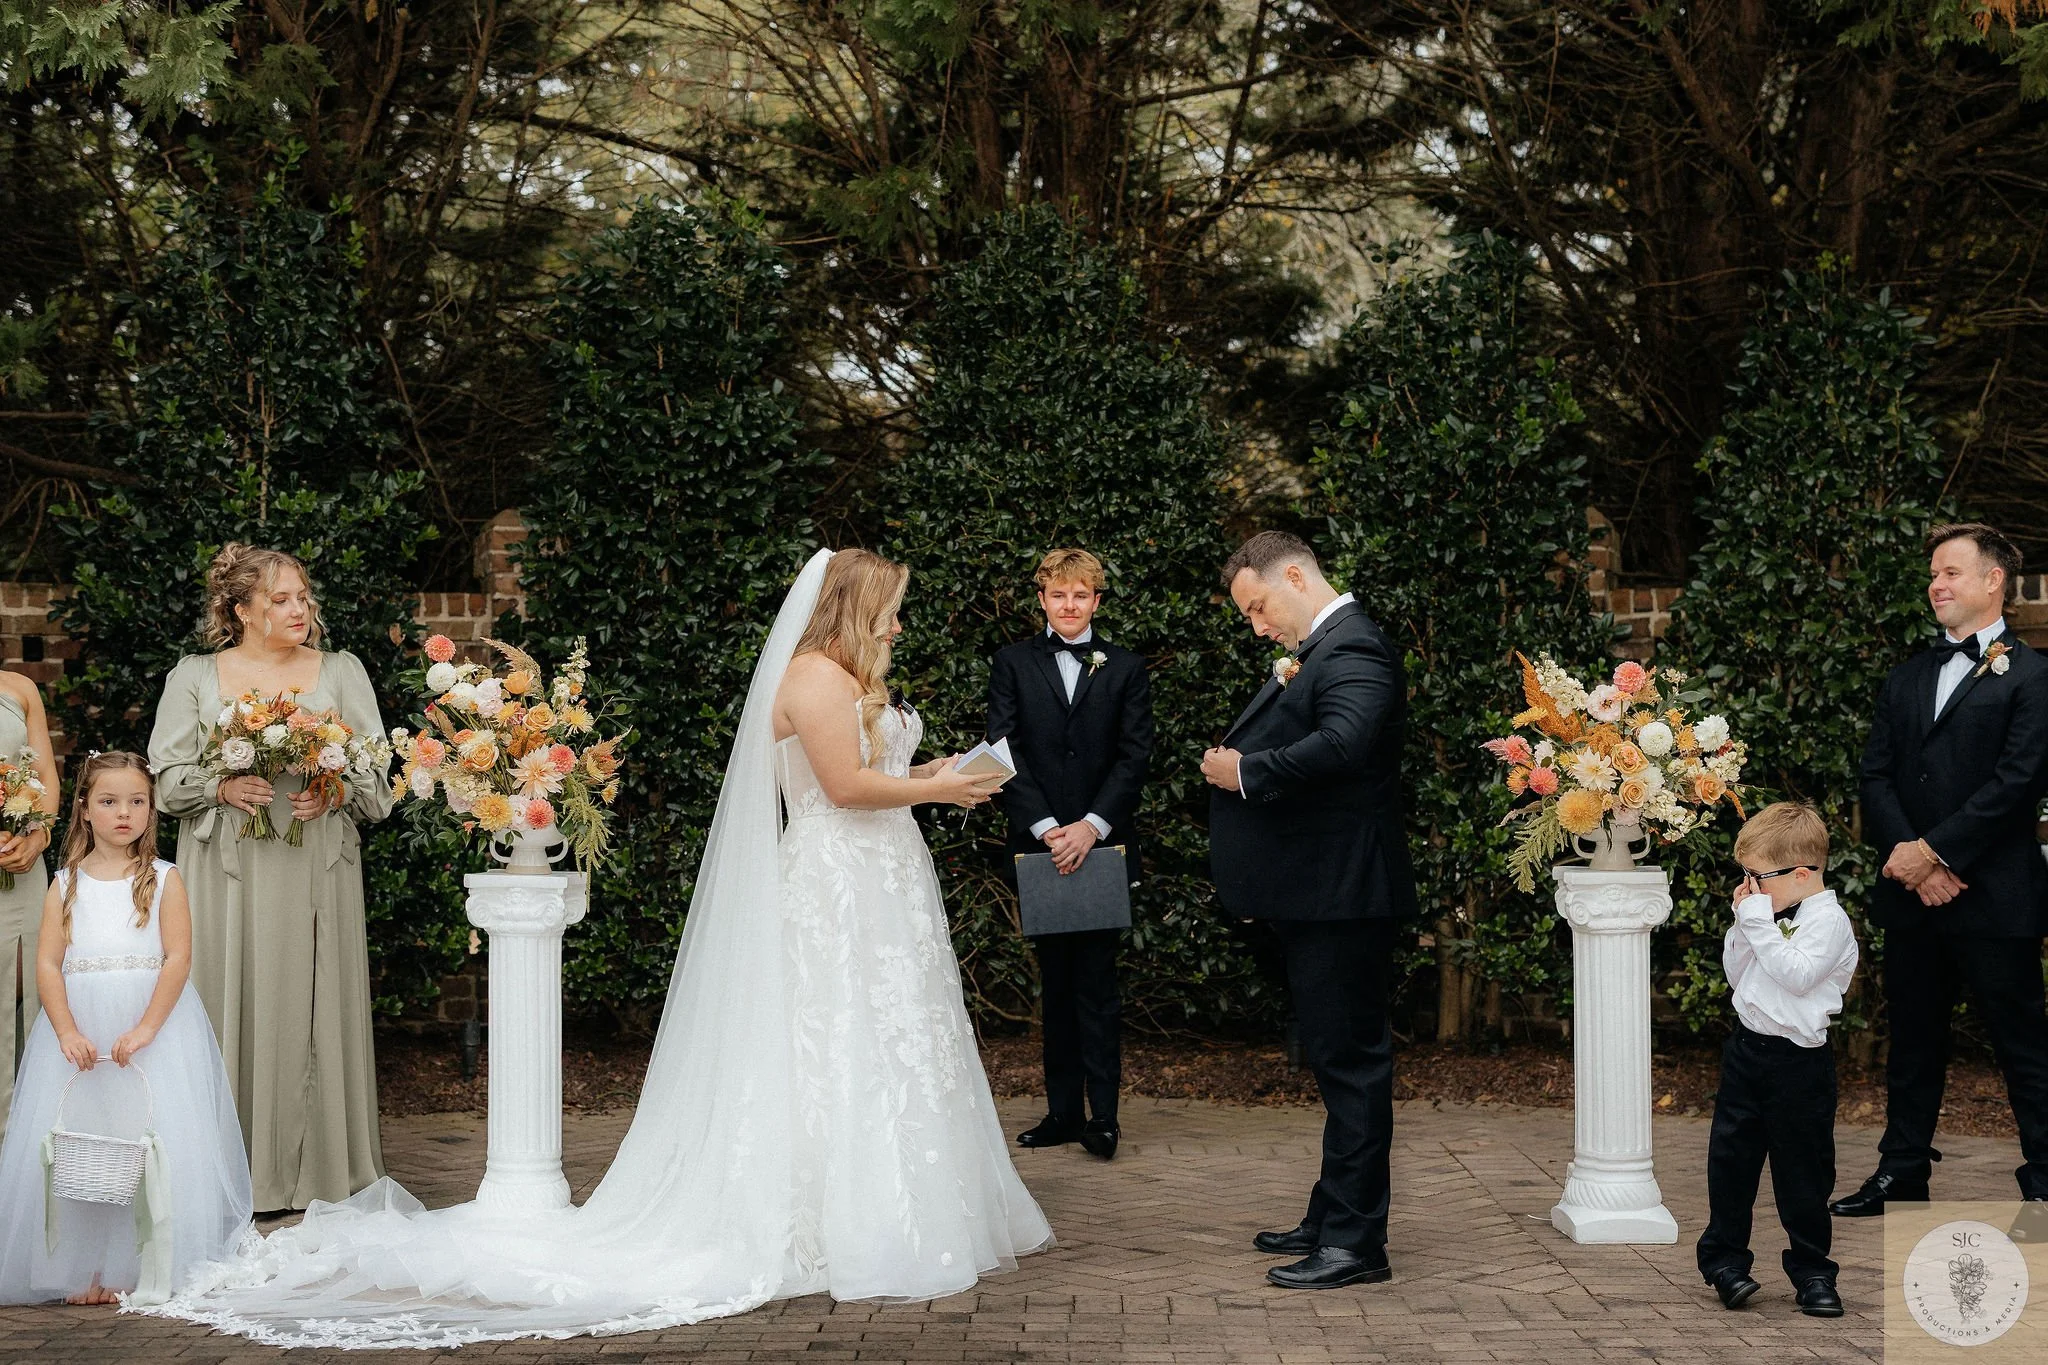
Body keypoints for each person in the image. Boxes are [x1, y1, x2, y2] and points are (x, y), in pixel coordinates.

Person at [138, 548, 1051, 1348]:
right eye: (890, 603)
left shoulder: (852, 677)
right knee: (831, 1038)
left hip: (878, 885)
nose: (899, 618)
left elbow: (863, 773)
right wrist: (937, 794)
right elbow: (843, 789)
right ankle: (835, 1213)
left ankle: (894, 1198)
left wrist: (931, 773)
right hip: (838, 878)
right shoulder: (814, 676)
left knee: (881, 1041)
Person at [146, 544, 392, 1212]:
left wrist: (336, 790)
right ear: (241, 607)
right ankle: (225, 1171)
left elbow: (378, 774)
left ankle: (316, 1174)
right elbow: (166, 781)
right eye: (281, 598)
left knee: (311, 1007)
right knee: (227, 1003)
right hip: (228, 872)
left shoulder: (342, 670)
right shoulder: (194, 676)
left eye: (304, 596)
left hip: (316, 864)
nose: (298, 609)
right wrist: (222, 784)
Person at [1201, 531, 1416, 1291]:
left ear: (1295, 576)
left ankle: (1357, 1244)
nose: (1258, 627)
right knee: (1334, 1060)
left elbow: (1345, 743)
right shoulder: (1329, 646)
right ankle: (1332, 1213)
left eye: (1259, 607)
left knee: (1353, 1065)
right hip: (1319, 892)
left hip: (1344, 894)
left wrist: (1245, 770)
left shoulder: (1355, 646)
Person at [1836, 523, 2048, 1218]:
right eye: (1934, 572)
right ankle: (1903, 1173)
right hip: (1915, 896)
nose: (1937, 583)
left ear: (1994, 581)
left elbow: (2017, 782)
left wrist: (1940, 852)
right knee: (1913, 1042)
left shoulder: (2035, 675)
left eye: (1952, 571)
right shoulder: (1906, 677)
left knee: (2022, 1042)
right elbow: (1876, 776)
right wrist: (1912, 859)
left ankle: (2045, 1172)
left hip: (1995, 894)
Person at [0, 752, 251, 1306]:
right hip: (82, 1027)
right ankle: (83, 1266)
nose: (124, 813)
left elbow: (178, 958)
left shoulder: (164, 879)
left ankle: (139, 1263)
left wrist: (146, 1029)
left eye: (137, 801)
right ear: (84, 810)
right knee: (84, 1146)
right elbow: (46, 964)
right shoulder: (63, 883)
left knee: (149, 1142)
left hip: (150, 1026)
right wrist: (65, 1030)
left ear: (150, 809)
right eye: (109, 801)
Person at [986, 548, 1153, 1160]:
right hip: (1042, 846)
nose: (1070, 605)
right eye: (1059, 595)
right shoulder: (1011, 663)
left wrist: (1092, 827)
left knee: (1098, 986)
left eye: (1081, 595)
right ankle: (1061, 1112)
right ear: (1042, 600)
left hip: (1101, 846)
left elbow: (1134, 756)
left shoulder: (1127, 667)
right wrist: (1050, 827)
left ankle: (1103, 1118)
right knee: (1054, 985)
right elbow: (1003, 747)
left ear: (1097, 601)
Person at [1696, 803, 1858, 1318]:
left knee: (1803, 1173)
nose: (1749, 887)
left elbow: (1795, 975)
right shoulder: (1763, 914)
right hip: (1747, 1052)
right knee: (1731, 1163)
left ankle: (1812, 1271)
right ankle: (1725, 1262)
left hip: (1799, 1065)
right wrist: (1745, 928)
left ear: (1802, 874)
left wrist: (1758, 922)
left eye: (1757, 876)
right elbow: (1738, 973)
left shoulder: (1829, 921)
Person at [0, 669, 58, 1138]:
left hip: (19, 865)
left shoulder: (20, 688)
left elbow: (44, 777)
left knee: (32, 992)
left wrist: (37, 836)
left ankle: (26, 1139)